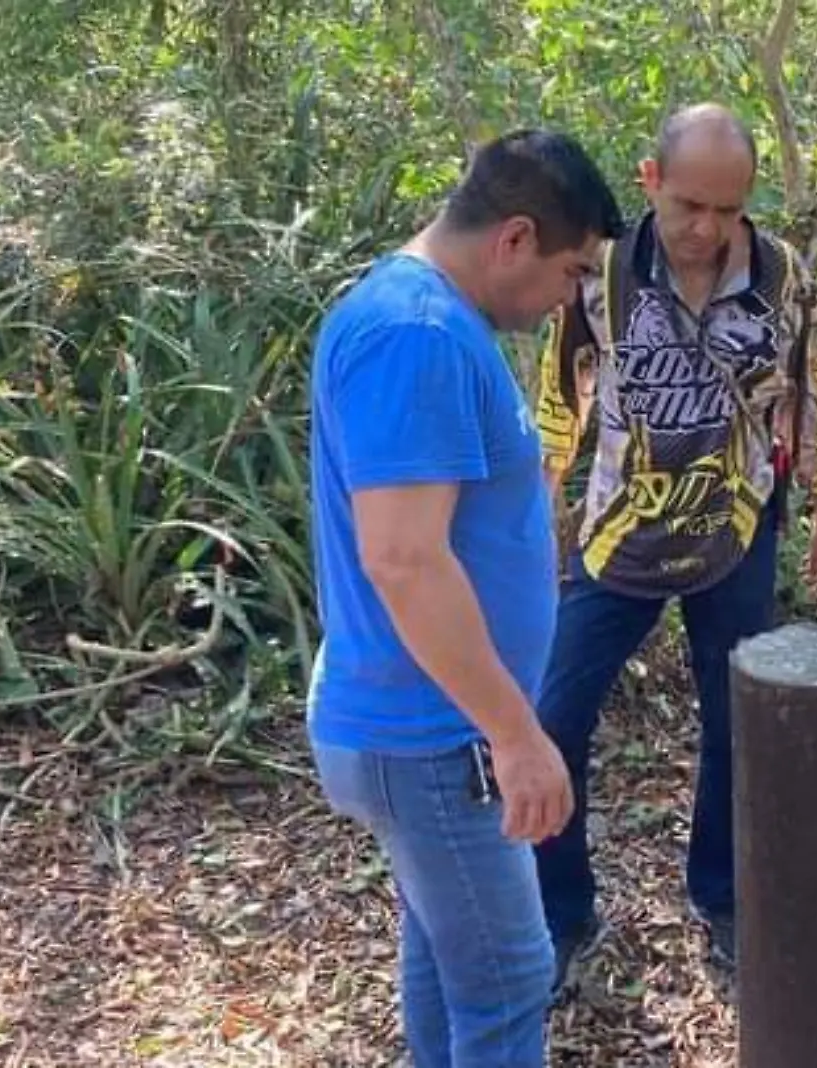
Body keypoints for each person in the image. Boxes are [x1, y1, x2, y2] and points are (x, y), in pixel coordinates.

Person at [304, 130, 624, 1068]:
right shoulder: (417, 335)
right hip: (434, 736)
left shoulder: (421, 317)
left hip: (429, 728)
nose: (571, 297)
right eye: (572, 272)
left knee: (452, 959)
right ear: (515, 239)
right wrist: (517, 734)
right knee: (508, 978)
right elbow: (403, 559)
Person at [532, 103, 817, 985]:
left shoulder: (783, 276)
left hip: (738, 523)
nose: (707, 229)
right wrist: (537, 493)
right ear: (651, 182)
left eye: (729, 209)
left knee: (737, 722)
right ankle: (561, 914)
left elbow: (806, 396)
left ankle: (723, 895)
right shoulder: (601, 273)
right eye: (689, 206)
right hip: (623, 532)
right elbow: (564, 388)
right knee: (554, 719)